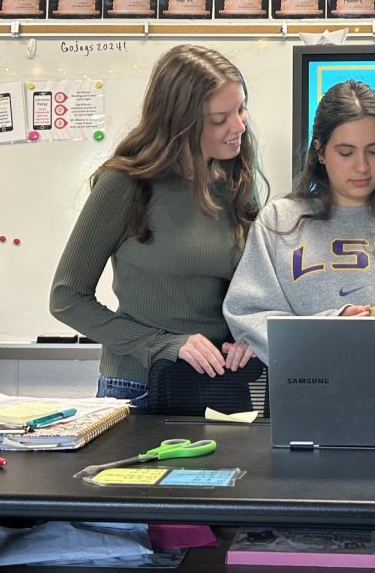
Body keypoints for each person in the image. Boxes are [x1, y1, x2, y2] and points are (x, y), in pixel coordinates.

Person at [49, 45, 263, 410]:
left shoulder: (233, 179)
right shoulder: (125, 184)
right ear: (180, 122)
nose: (239, 125)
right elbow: (67, 298)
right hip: (138, 387)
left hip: (221, 385)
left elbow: (245, 289)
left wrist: (247, 336)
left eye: (241, 109)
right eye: (219, 119)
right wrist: (160, 343)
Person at [225, 80, 375, 361]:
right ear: (320, 151)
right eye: (346, 152)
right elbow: (247, 315)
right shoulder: (279, 221)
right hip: (308, 395)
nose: (362, 166)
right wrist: (333, 326)